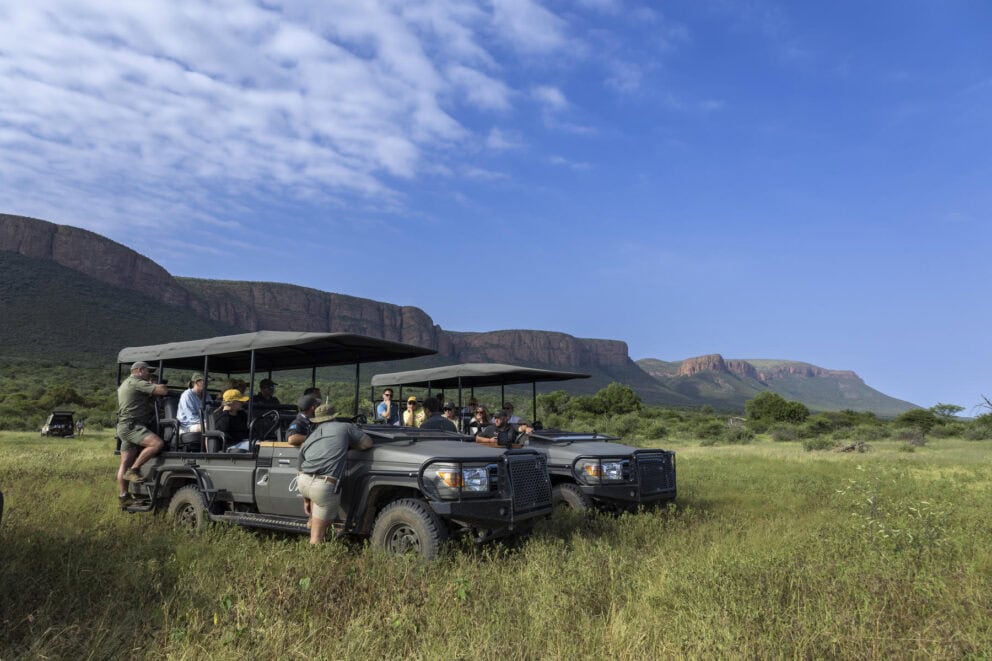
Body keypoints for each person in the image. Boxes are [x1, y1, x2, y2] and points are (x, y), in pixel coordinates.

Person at [297, 402, 374, 544]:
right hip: (323, 485)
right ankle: (312, 562)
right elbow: (367, 444)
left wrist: (306, 499)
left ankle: (314, 521)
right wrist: (348, 445)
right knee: (317, 537)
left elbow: (300, 462)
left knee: (316, 517)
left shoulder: (311, 436)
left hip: (303, 482)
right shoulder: (345, 427)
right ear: (334, 417)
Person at [116, 361, 168, 504]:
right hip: (133, 426)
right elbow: (162, 391)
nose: (148, 374)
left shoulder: (127, 383)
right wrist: (159, 385)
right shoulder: (136, 382)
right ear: (139, 370)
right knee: (157, 444)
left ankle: (123, 496)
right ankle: (135, 469)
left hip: (125, 426)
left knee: (124, 463)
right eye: (147, 371)